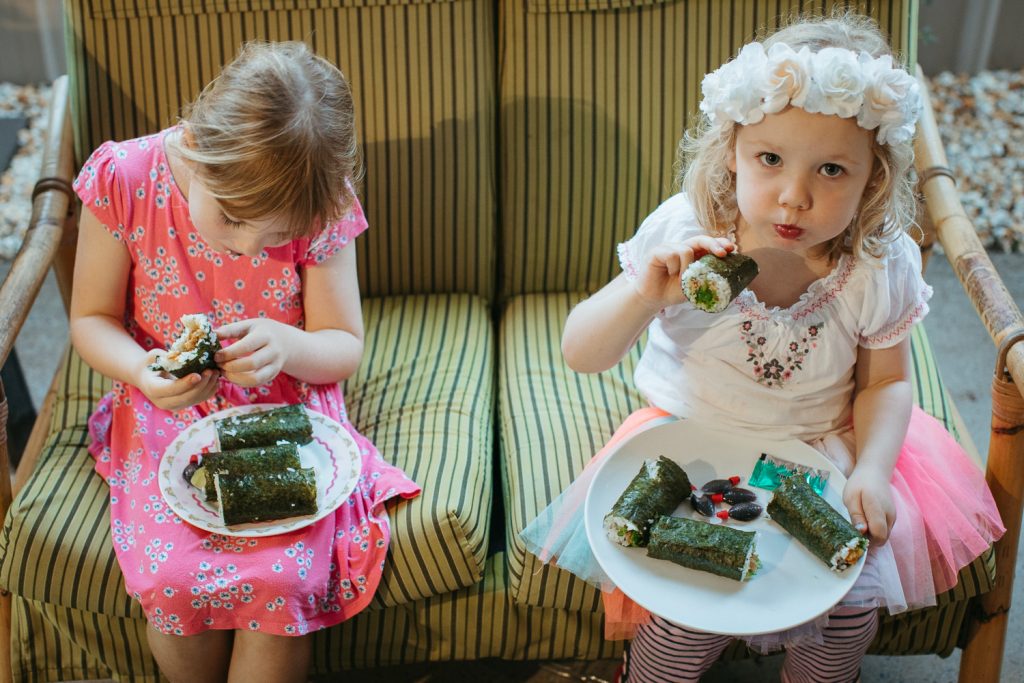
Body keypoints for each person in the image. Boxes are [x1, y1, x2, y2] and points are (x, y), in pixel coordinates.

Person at [521, 13, 1004, 683]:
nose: (794, 195)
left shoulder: (874, 262)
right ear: (732, 152)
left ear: (873, 179)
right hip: (689, 445)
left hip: (820, 449)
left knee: (847, 613)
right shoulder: (690, 230)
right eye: (770, 159)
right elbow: (581, 350)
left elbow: (885, 384)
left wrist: (871, 469)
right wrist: (644, 295)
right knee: (684, 615)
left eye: (831, 169)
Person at [70, 41, 420, 683]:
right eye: (232, 220)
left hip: (286, 402)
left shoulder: (324, 200)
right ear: (200, 148)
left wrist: (289, 346)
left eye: (275, 239)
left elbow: (343, 345)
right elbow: (89, 321)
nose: (248, 247)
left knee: (287, 579)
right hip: (163, 407)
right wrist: (145, 370)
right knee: (173, 581)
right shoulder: (126, 179)